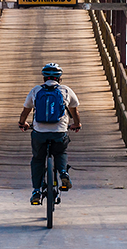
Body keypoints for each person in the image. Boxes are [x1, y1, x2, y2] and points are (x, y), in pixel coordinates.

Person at [18, 63, 81, 205]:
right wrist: (76, 124)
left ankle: (36, 191)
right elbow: (74, 111)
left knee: (38, 159)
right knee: (61, 152)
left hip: (39, 133)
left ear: (44, 77)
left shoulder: (36, 90)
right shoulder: (66, 90)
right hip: (59, 132)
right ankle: (63, 172)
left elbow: (25, 112)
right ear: (59, 78)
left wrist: (22, 123)